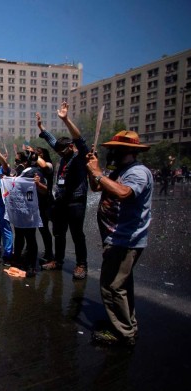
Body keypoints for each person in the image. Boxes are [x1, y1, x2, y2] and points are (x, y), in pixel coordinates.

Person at [85, 130, 153, 346]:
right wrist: (92, 170)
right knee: (121, 286)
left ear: (127, 151)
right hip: (115, 238)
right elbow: (97, 186)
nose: (110, 152)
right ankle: (127, 326)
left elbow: (124, 193)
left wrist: (97, 173)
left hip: (126, 240)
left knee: (112, 287)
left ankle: (123, 334)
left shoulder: (138, 172)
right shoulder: (118, 169)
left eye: (114, 149)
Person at [37, 102, 89, 280]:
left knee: (76, 234)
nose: (59, 153)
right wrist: (42, 129)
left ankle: (81, 265)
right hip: (60, 202)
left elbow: (79, 139)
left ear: (71, 147)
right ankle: (57, 260)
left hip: (75, 201)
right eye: (58, 151)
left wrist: (66, 119)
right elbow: (53, 142)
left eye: (62, 150)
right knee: (58, 233)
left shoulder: (80, 156)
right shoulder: (63, 153)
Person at [10, 150, 48, 276]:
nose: (16, 163)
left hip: (29, 212)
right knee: (19, 236)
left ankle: (31, 266)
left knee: (30, 238)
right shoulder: (23, 172)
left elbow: (44, 191)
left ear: (25, 162)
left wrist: (37, 184)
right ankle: (17, 261)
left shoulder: (34, 172)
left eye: (18, 161)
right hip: (20, 211)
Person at [34, 147, 55, 266]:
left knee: (55, 230)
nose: (36, 156)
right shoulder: (36, 168)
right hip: (39, 203)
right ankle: (48, 252)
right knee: (43, 229)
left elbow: (43, 164)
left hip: (48, 202)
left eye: (39, 153)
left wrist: (35, 154)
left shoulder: (48, 165)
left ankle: (52, 256)